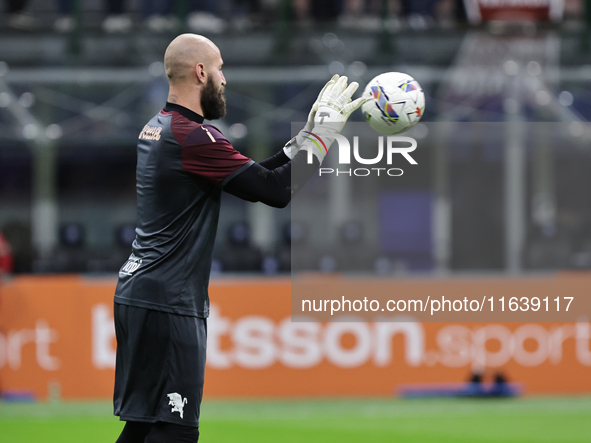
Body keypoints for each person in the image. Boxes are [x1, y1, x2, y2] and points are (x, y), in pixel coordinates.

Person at [112, 33, 364, 443]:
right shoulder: (194, 137)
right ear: (200, 72)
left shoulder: (161, 128)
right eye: (220, 68)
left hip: (143, 292)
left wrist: (304, 138)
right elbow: (276, 191)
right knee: (175, 433)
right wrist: (325, 137)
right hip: (168, 302)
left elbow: (256, 177)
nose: (224, 79)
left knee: (143, 426)